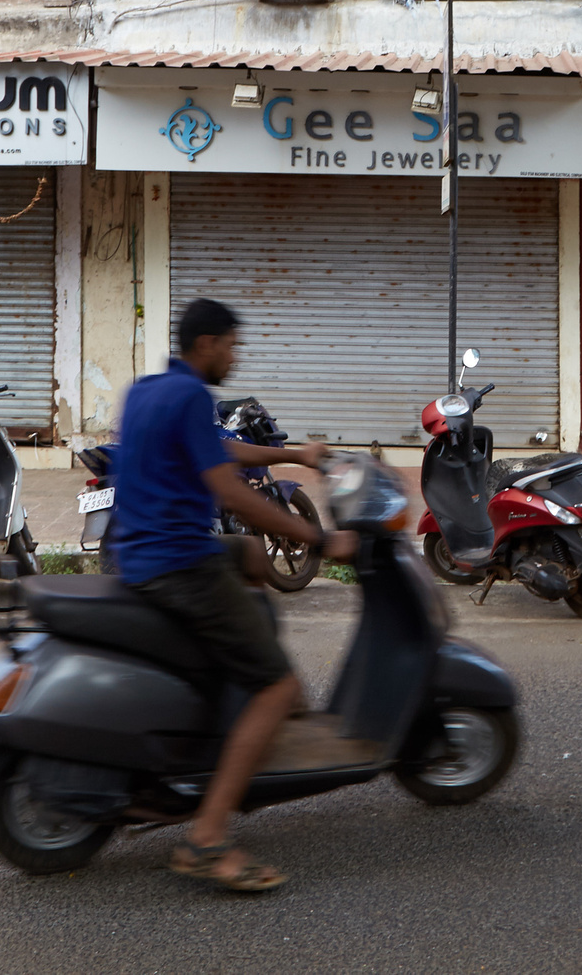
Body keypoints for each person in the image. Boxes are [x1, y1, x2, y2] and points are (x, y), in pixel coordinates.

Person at [107, 297, 357, 894]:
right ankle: (208, 839)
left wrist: (295, 454)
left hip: (139, 554)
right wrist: (319, 539)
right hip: (178, 565)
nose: (235, 357)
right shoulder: (191, 396)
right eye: (231, 346)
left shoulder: (149, 389)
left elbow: (220, 449)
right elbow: (232, 491)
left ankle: (236, 685)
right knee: (278, 686)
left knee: (247, 553)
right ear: (207, 345)